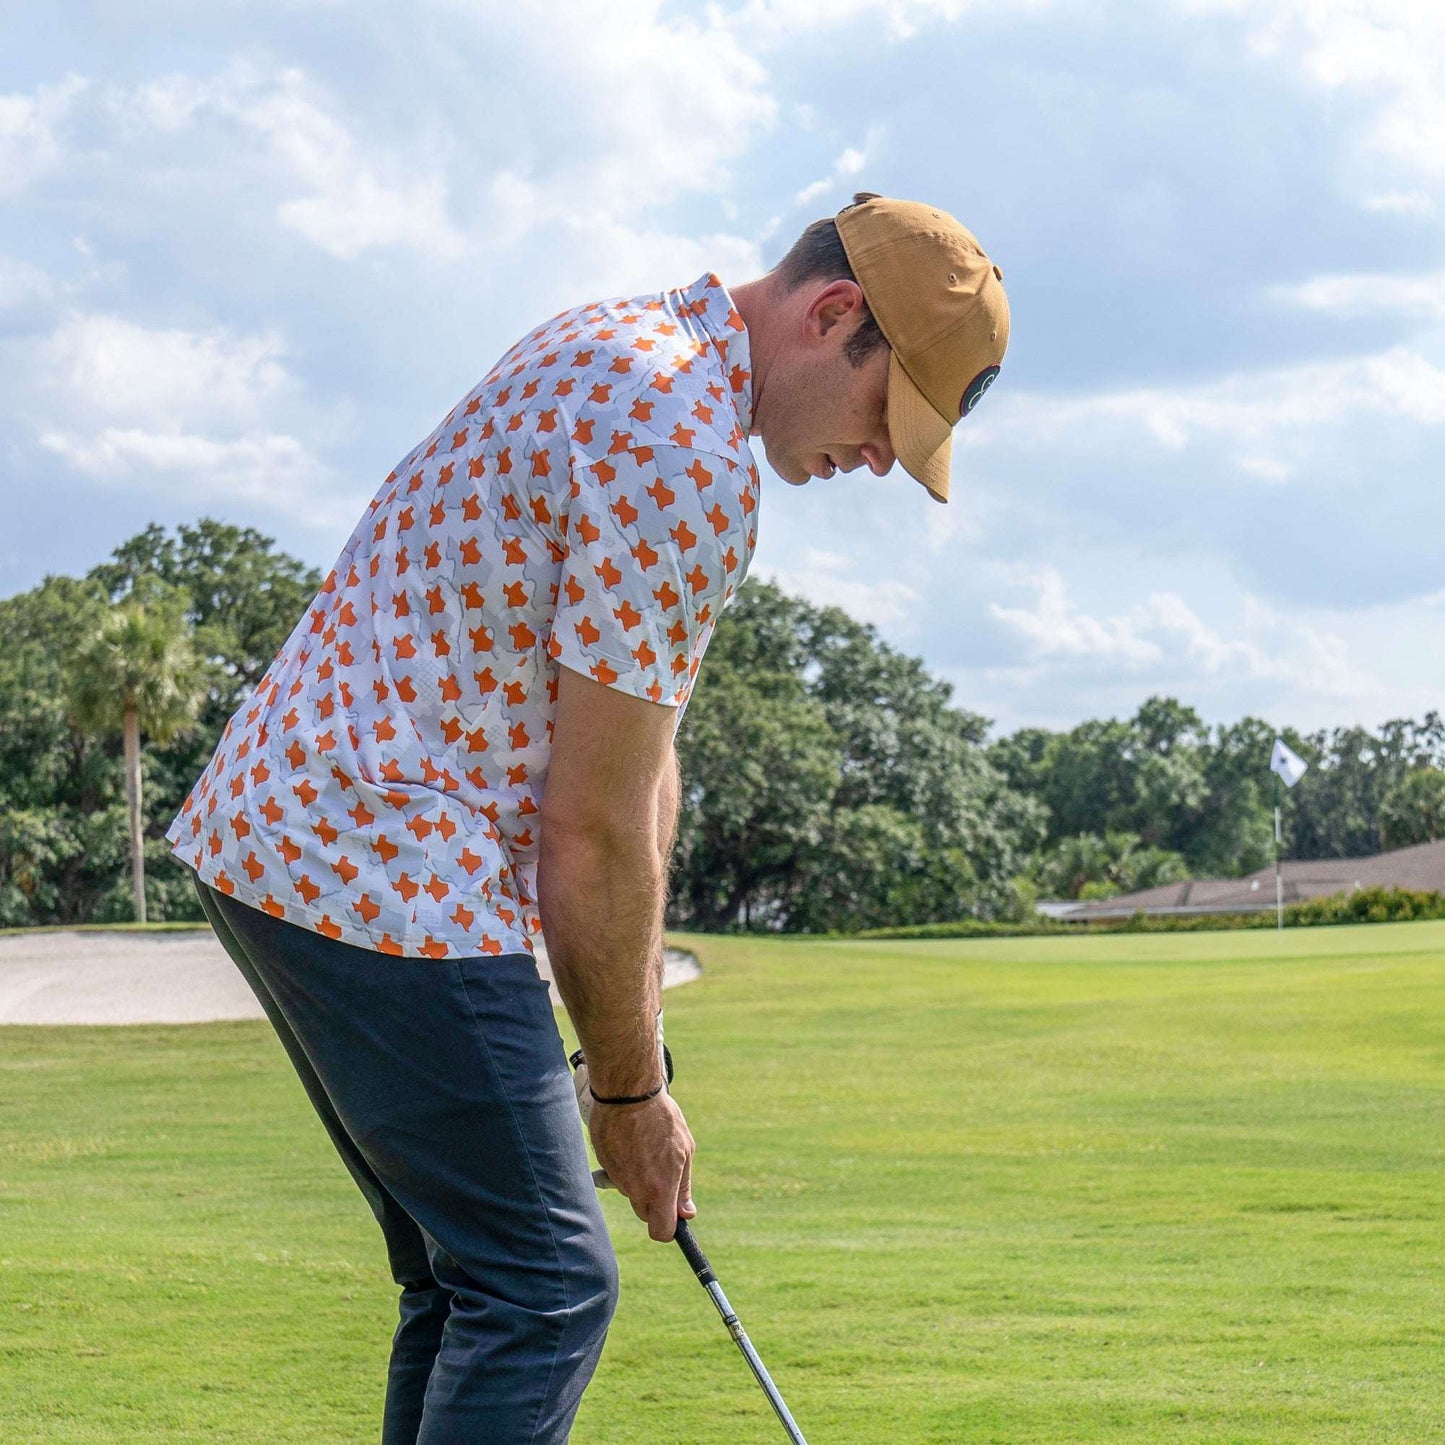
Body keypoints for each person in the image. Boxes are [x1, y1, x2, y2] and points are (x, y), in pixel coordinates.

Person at [166, 191, 1010, 1443]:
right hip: (384, 860)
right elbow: (593, 828)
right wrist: (628, 1100)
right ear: (832, 314)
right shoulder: (686, 452)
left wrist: (642, 1064)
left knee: (476, 1279)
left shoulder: (625, 342)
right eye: (886, 414)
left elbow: (639, 762)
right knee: (547, 1286)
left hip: (286, 838)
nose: (879, 457)